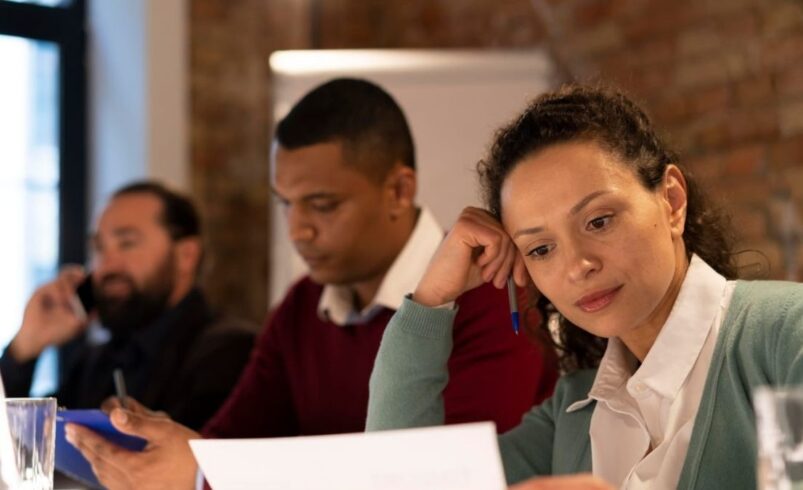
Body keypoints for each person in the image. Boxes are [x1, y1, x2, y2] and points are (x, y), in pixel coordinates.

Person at [63, 78, 558, 489]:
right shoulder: (302, 306)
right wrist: (165, 448)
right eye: (286, 204)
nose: (297, 229)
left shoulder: (493, 292)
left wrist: (201, 472)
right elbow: (232, 441)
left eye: (322, 205)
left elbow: (444, 477)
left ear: (399, 190)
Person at [365, 84, 803, 489]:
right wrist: (429, 302)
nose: (578, 266)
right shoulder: (572, 414)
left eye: (599, 221)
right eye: (540, 249)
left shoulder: (786, 339)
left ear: (671, 200)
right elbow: (396, 482)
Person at [0, 181, 256, 431]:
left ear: (186, 255)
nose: (106, 266)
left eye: (127, 243)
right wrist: (25, 347)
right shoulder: (96, 361)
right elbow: (20, 443)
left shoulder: (230, 353)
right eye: (99, 248)